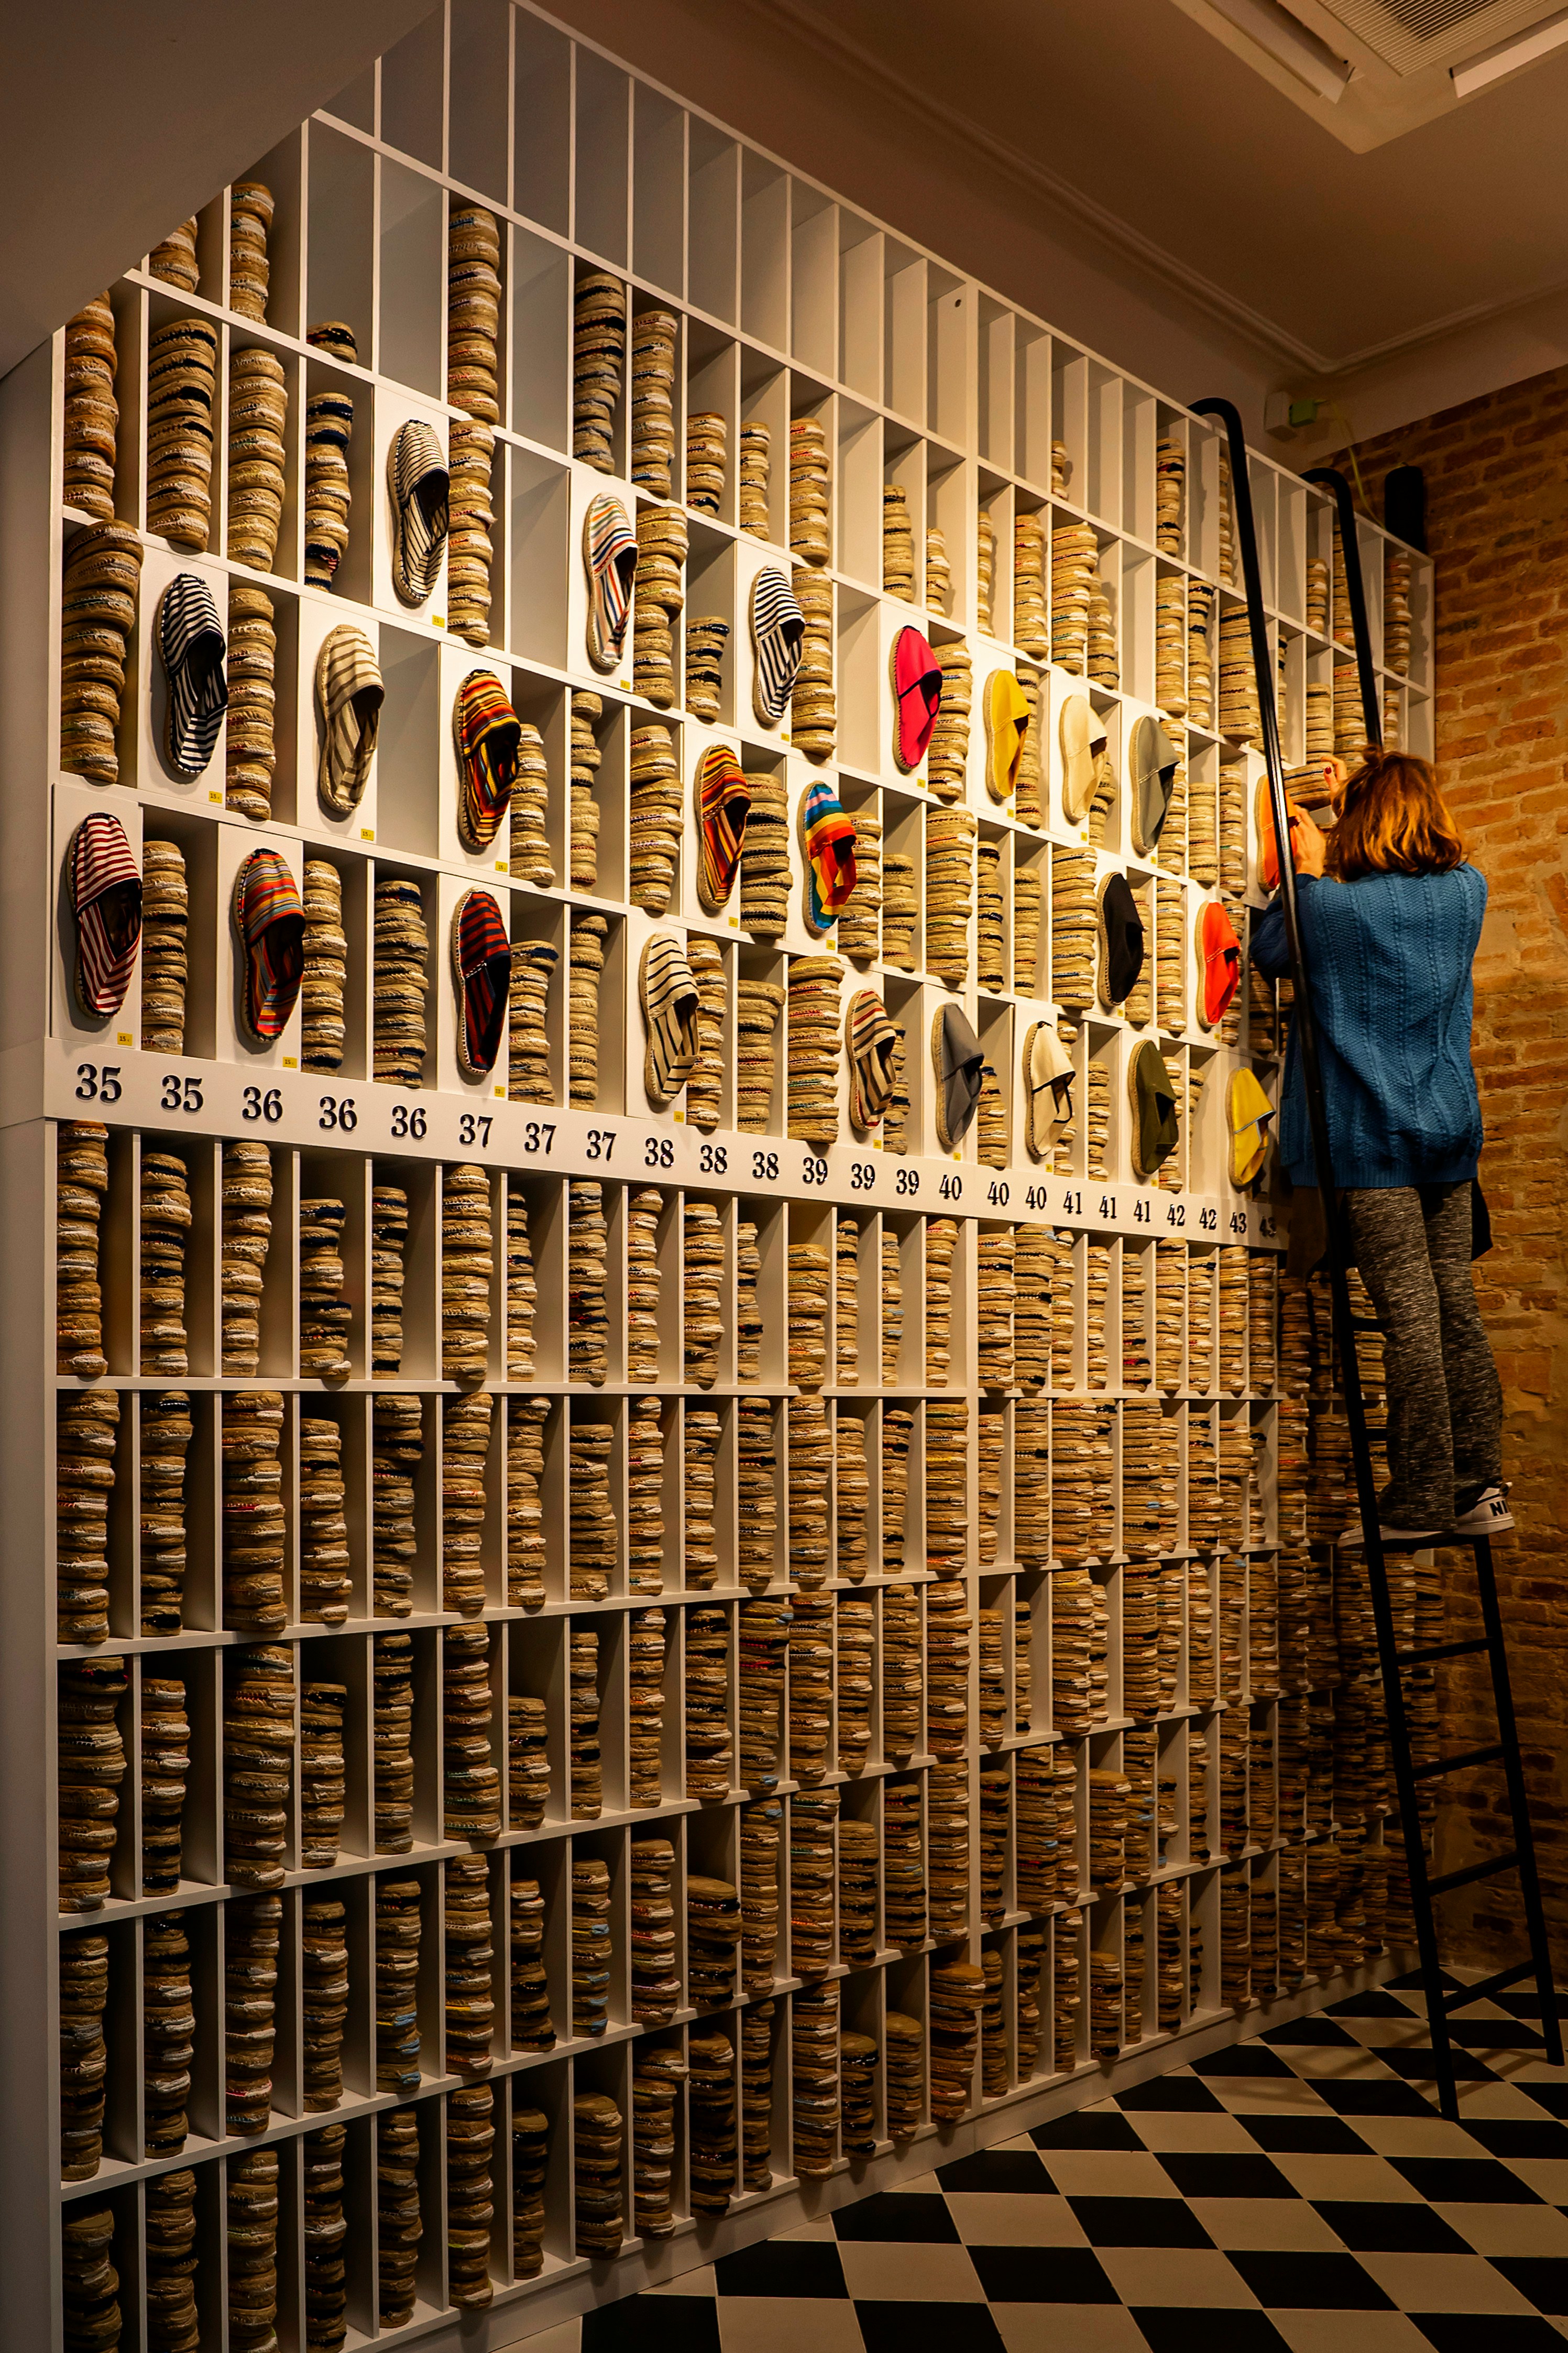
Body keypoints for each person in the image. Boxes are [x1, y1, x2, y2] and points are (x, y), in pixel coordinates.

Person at [1251, 749, 1508, 1546]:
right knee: (1454, 1311)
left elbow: (1268, 949)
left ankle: (1419, 1501)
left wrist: (1312, 858)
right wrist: (1352, 804)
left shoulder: (1327, 909)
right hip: (1448, 1134)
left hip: (1372, 1142)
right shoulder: (1467, 893)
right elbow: (1399, 891)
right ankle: (1479, 1487)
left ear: (1360, 818)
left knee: (1408, 1319)